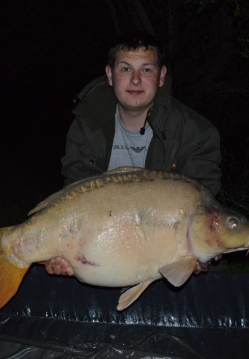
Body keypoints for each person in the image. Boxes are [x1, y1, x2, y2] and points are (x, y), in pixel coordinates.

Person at [45, 31, 222, 276]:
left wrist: (201, 254)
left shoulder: (196, 133)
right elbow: (74, 196)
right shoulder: (86, 126)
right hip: (104, 250)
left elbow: (203, 211)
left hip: (162, 255)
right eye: (126, 69)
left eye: (147, 70)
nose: (136, 80)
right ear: (109, 75)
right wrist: (63, 252)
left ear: (161, 76)